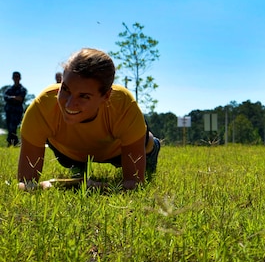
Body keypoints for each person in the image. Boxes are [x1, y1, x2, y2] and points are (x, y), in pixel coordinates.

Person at [17, 48, 161, 191]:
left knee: (145, 141)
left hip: (117, 152)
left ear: (106, 96)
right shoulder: (42, 106)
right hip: (70, 153)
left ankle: (152, 147)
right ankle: (78, 165)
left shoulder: (123, 105)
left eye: (84, 96)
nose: (69, 104)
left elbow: (134, 184)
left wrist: (94, 187)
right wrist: (45, 186)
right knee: (76, 166)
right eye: (65, 89)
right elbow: (25, 183)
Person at [4, 71, 27, 146]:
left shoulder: (22, 89)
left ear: (20, 78)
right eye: (15, 77)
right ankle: (13, 142)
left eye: (17, 77)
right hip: (9, 112)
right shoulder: (9, 89)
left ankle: (13, 142)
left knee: (13, 128)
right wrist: (14, 97)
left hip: (17, 112)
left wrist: (11, 98)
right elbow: (5, 97)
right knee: (9, 128)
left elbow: (20, 98)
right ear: (12, 78)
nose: (16, 78)